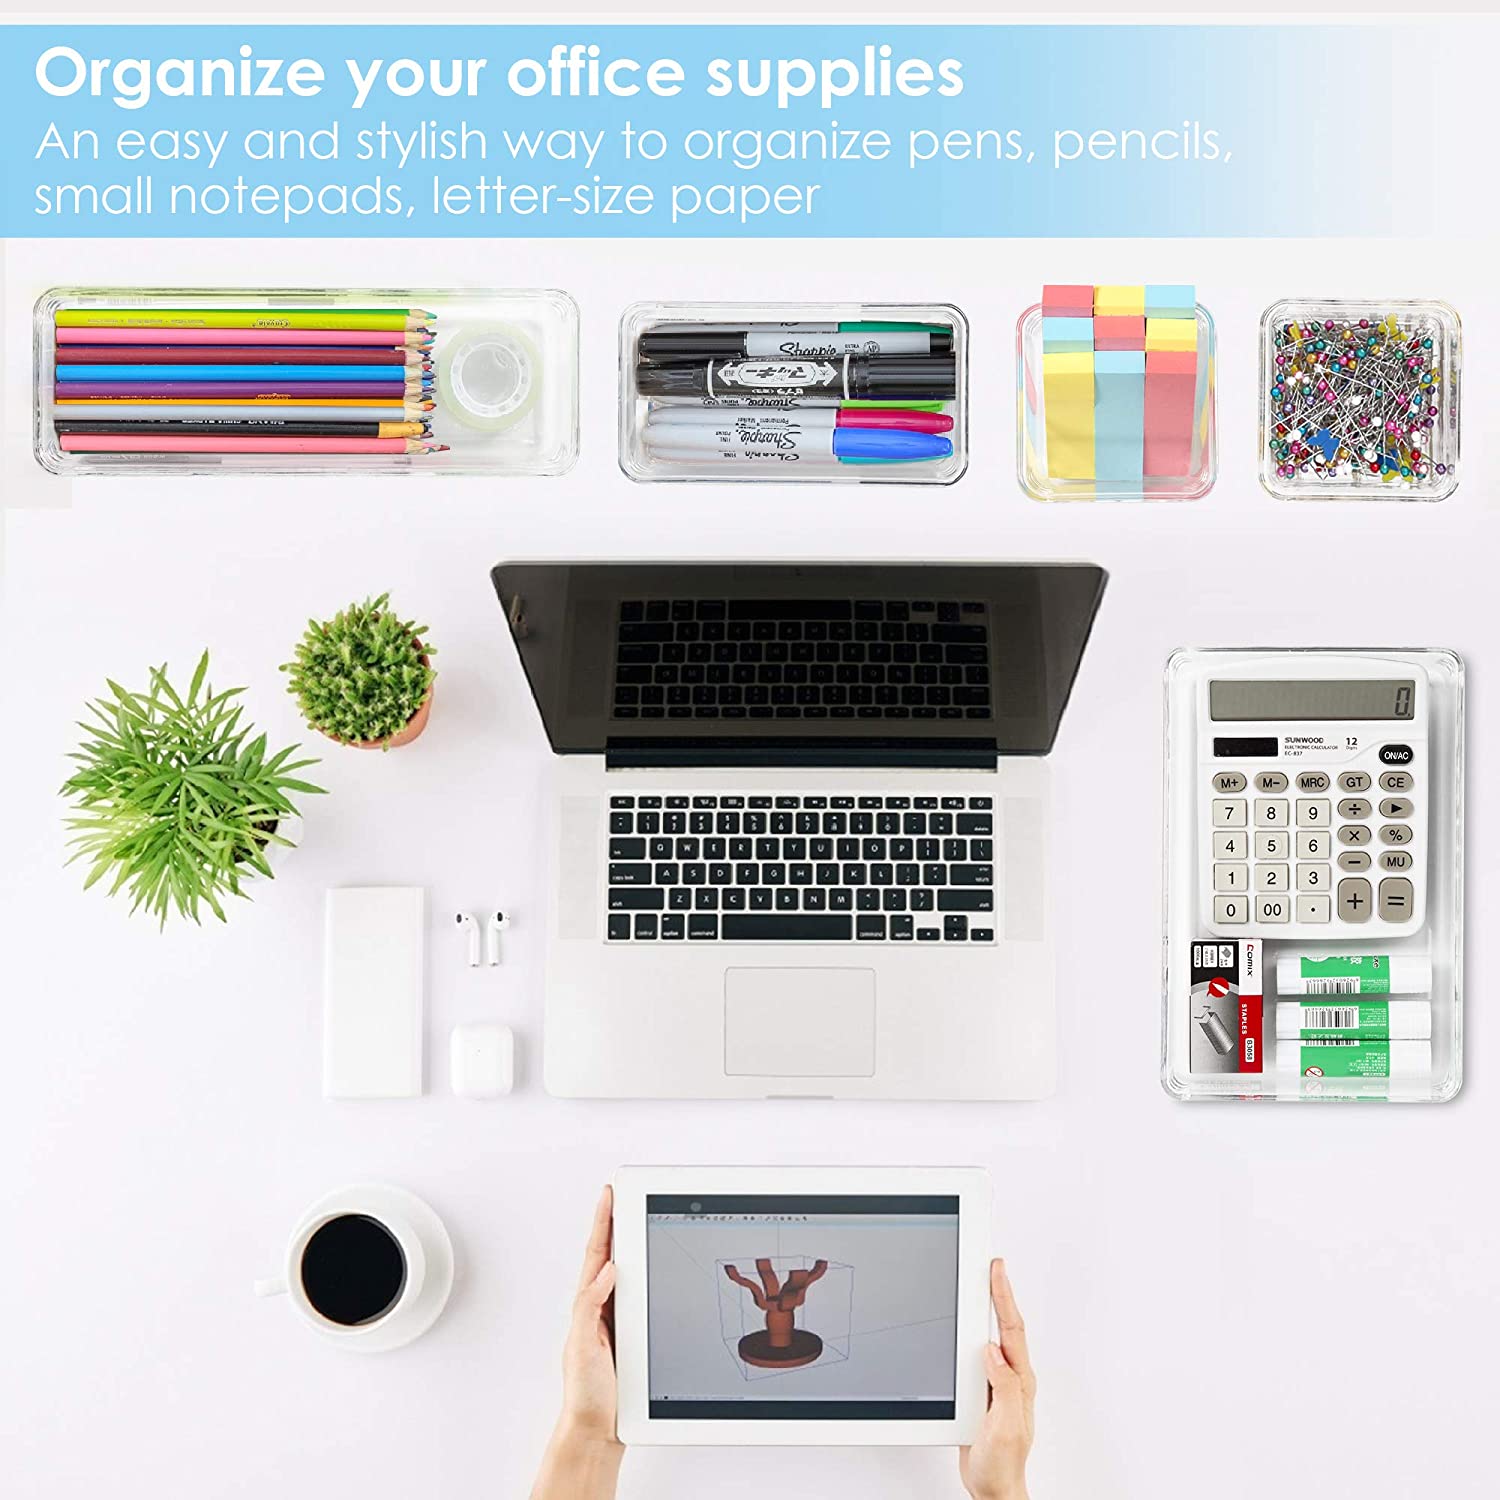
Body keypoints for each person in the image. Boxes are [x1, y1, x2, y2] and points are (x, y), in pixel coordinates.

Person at [530, 1186, 1037, 1500]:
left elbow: (778, 1285)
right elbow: (759, 1287)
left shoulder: (785, 1298)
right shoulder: (774, 1299)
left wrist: (589, 1434)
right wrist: (1002, 1493)